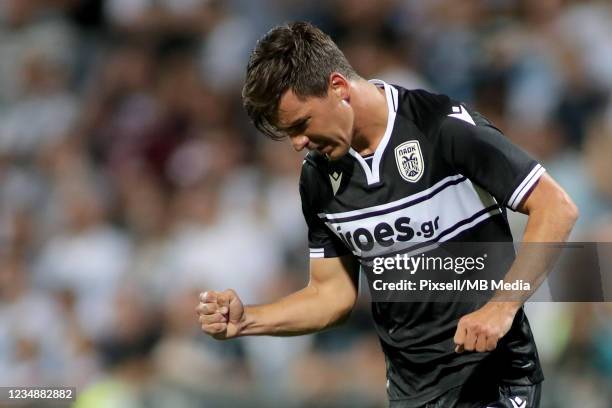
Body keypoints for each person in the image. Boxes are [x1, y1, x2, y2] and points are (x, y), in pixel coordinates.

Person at [195, 22, 578, 407]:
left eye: (301, 125)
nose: (297, 144)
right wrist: (248, 322)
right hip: (410, 391)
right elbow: (332, 295)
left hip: (491, 378)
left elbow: (555, 206)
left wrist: (502, 306)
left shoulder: (440, 127)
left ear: (338, 88)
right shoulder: (318, 180)